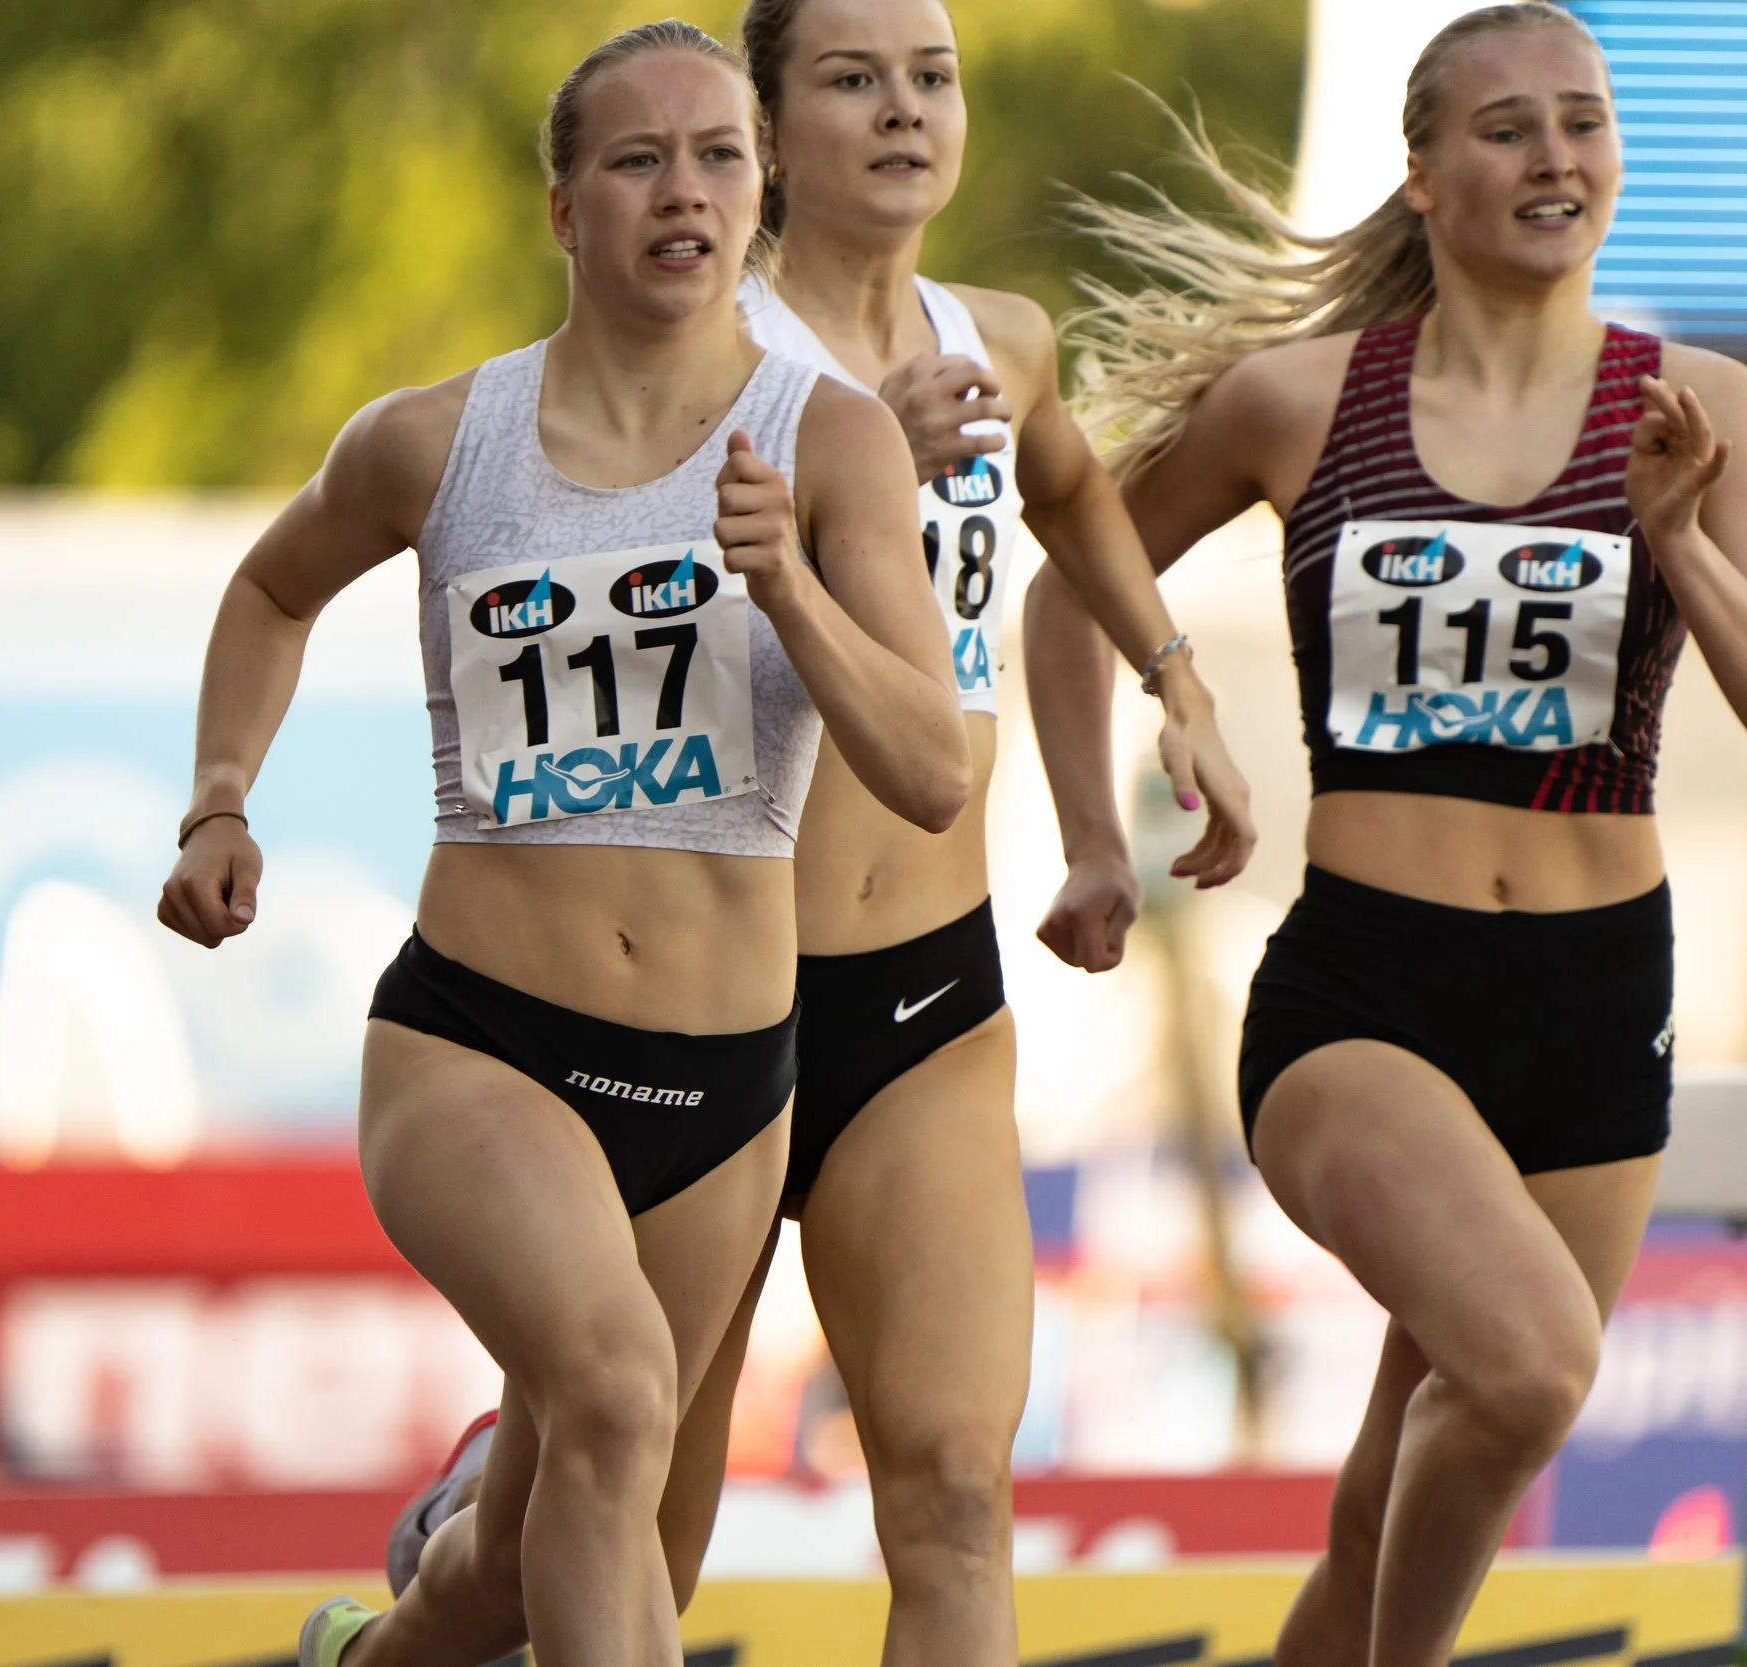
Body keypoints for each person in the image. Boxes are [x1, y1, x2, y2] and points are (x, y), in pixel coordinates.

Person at [381, 4, 1255, 1663]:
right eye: (852, 80)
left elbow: (1069, 511)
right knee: (640, 1536)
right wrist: (860, 461)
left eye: (933, 76)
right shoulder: (694, 348)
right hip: (701, 1020)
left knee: (954, 1485)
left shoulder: (999, 337)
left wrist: (1162, 706)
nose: (905, 110)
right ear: (769, 132)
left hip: (924, 997)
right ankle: (417, 1605)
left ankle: (516, 1489)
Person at [1028, 7, 1747, 1663]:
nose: (1556, 157)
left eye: (1583, 123)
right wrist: (1100, 831)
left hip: (1599, 1004)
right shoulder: (1297, 403)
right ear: (1419, 174)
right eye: (1507, 128)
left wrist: (1678, 544)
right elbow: (1069, 589)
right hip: (1368, 998)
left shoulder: (1705, 409)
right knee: (1536, 1369)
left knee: (1389, 1494)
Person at [154, 22, 970, 1667]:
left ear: (759, 197)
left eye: (720, 158)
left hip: (729, 1083)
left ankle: (356, 1657)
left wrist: (791, 591)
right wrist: (222, 796)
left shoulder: (833, 446)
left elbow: (931, 769)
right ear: (563, 209)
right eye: (637, 160)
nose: (686, 192)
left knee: (526, 1560)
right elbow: (270, 586)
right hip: (484, 1044)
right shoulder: (437, 441)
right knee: (610, 1391)